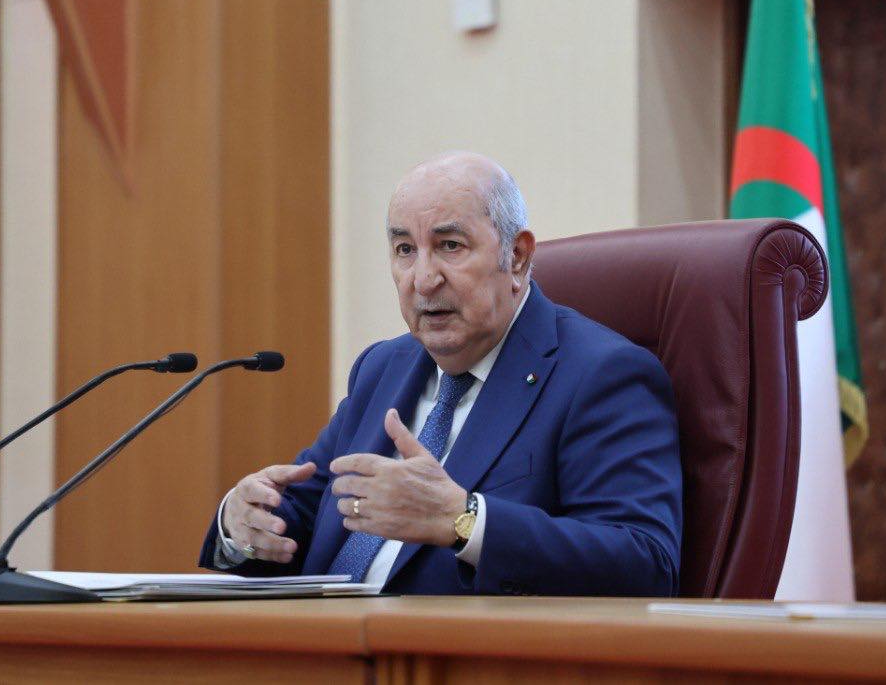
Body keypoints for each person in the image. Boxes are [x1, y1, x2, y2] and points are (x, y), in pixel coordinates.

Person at [198, 152, 682, 595]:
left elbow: (645, 563)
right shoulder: (383, 367)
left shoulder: (601, 374)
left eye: (450, 245)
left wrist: (465, 521)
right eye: (405, 250)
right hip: (321, 643)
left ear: (516, 256)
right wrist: (242, 521)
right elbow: (308, 508)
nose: (423, 279)